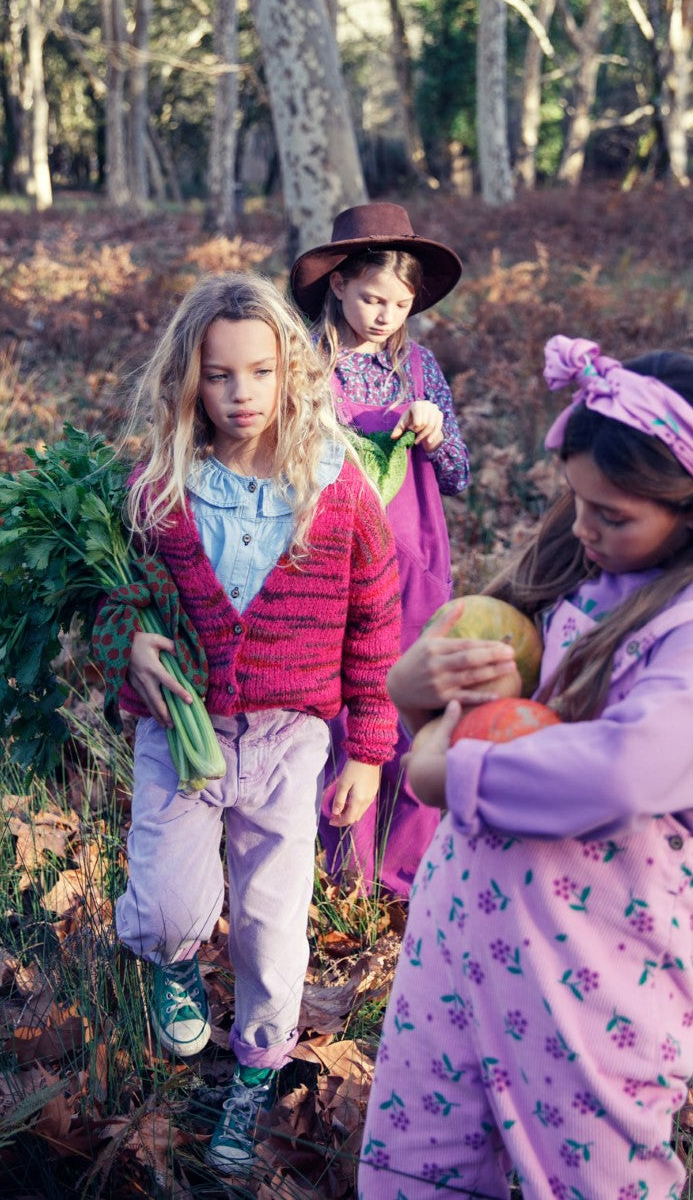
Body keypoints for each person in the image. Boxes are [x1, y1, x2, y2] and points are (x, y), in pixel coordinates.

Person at [357, 335, 693, 1200]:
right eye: (577, 501)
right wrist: (409, 688)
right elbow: (476, 711)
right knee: (418, 1170)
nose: (582, 527)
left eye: (612, 514)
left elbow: (622, 772)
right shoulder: (577, 568)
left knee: (592, 1180)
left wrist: (447, 774)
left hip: (593, 976)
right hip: (460, 946)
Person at [91, 274, 401, 1175]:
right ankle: (174, 958)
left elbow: (374, 625)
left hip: (289, 739)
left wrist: (370, 751)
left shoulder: (337, 488)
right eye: (218, 377)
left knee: (273, 920)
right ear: (188, 381)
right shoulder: (160, 486)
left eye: (260, 373)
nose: (240, 396)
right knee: (165, 902)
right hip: (181, 726)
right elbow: (118, 600)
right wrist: (133, 648)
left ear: (292, 371)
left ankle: (256, 1070)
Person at [290, 203, 470, 897]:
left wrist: (433, 435)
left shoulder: (420, 370)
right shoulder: (305, 363)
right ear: (338, 285)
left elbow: (457, 476)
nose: (385, 314)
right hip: (329, 560)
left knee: (410, 703)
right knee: (340, 704)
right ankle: (343, 871)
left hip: (415, 564)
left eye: (399, 303)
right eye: (371, 298)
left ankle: (407, 867)